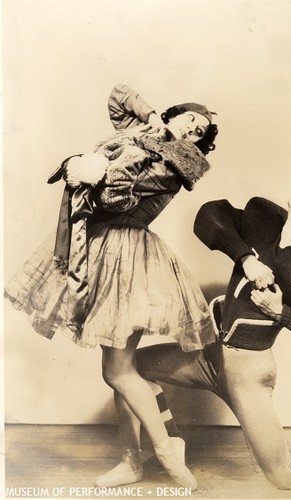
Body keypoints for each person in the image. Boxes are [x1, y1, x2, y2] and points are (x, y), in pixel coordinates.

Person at [4, 83, 219, 490]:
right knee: (121, 368)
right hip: (98, 250)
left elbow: (112, 201)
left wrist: (98, 168)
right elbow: (119, 95)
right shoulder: (138, 133)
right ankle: (131, 461)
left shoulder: (173, 165)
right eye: (191, 119)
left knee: (116, 371)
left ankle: (167, 452)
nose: (194, 130)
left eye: (200, 133)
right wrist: (151, 118)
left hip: (128, 258)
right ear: (173, 115)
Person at [98, 188, 291, 489]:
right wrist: (245, 257)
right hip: (211, 356)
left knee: (283, 475)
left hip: (249, 374)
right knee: (127, 371)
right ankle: (140, 458)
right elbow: (209, 214)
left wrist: (282, 313)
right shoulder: (264, 219)